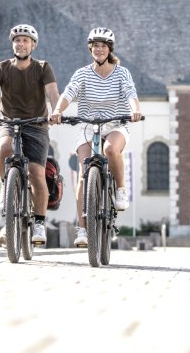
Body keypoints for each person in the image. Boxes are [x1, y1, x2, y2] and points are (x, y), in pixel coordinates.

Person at [49, 27, 143, 247]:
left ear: (109, 49)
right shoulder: (82, 73)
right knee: (84, 172)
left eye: (103, 45)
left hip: (116, 124)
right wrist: (57, 111)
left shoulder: (121, 72)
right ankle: (82, 228)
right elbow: (69, 93)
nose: (99, 49)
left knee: (111, 150)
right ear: (91, 48)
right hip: (88, 126)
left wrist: (135, 109)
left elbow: (131, 93)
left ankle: (120, 190)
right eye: (95, 45)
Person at [0, 24, 60, 245]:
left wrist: (56, 112)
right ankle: (6, 185)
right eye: (17, 40)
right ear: (13, 44)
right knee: (4, 149)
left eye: (25, 40)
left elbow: (52, 92)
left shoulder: (42, 68)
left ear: (33, 45)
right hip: (9, 122)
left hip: (37, 125)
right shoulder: (2, 68)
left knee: (36, 174)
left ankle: (39, 222)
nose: (20, 44)